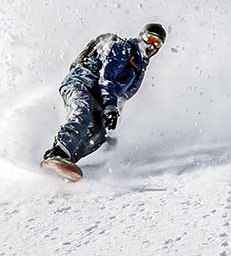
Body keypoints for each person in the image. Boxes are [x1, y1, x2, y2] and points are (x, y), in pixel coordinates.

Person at [41, 22, 167, 179]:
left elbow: (121, 98)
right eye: (150, 39)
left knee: (99, 134)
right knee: (83, 110)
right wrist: (110, 108)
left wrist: (112, 124)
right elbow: (107, 79)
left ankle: (66, 162)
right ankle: (58, 152)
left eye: (158, 43)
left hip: (99, 99)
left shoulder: (139, 70)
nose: (152, 46)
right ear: (142, 36)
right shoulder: (123, 48)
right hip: (81, 83)